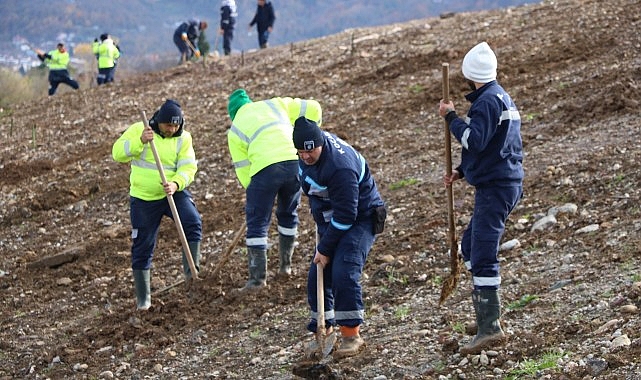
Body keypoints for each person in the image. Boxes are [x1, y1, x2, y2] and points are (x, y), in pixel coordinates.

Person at [438, 41, 524, 355]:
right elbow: (491, 146)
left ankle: (491, 327)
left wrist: (451, 119)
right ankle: (484, 313)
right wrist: (462, 170)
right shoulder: (497, 97)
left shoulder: (487, 102)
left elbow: (474, 140)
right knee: (470, 245)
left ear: (470, 74)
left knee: (483, 252)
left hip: (497, 188)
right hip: (498, 183)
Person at [293, 117, 386, 359]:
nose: (305, 156)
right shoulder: (306, 154)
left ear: (321, 143)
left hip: (361, 217)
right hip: (332, 216)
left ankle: (351, 334)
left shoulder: (340, 167)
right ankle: (324, 331)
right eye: (300, 152)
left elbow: (346, 215)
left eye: (310, 151)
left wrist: (324, 248)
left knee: (344, 270)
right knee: (317, 276)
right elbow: (313, 188)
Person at [226, 88, 322, 292]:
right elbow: (313, 107)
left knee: (258, 223)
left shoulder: (235, 128)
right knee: (288, 213)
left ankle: (257, 281)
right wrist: (315, 130)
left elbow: (244, 169)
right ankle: (285, 267)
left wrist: (256, 196)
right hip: (293, 161)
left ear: (233, 113)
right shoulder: (274, 104)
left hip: (264, 170)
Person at [112, 99, 202, 311]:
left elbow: (189, 168)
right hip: (143, 198)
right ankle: (144, 301)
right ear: (158, 122)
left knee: (192, 222)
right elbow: (117, 153)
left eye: (176, 126)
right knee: (143, 245)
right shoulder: (139, 130)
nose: (172, 130)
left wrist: (176, 183)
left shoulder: (184, 138)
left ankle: (192, 278)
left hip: (172, 192)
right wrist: (139, 142)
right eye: (168, 125)